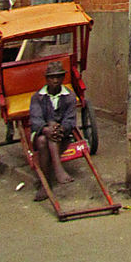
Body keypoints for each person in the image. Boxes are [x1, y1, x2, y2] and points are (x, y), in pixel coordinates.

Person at [29, 61, 77, 201]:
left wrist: (59, 129)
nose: (55, 81)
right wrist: (46, 129)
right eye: (52, 77)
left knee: (50, 131)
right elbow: (36, 119)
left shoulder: (70, 96)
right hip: (41, 135)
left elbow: (70, 120)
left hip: (62, 136)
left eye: (58, 77)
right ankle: (57, 170)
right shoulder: (37, 97)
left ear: (63, 78)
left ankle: (46, 184)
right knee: (43, 139)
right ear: (47, 79)